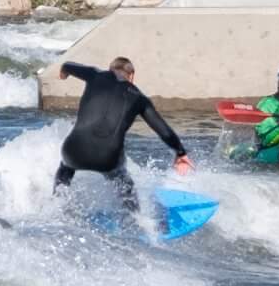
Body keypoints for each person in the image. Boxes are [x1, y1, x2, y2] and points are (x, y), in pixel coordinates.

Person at [53, 57, 191, 222]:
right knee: (124, 182)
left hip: (73, 152)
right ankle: (136, 220)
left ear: (110, 69)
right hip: (107, 159)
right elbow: (163, 130)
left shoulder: (94, 75)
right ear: (131, 75)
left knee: (65, 168)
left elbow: (68, 65)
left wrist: (63, 74)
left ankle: (58, 209)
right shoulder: (140, 98)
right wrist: (180, 153)